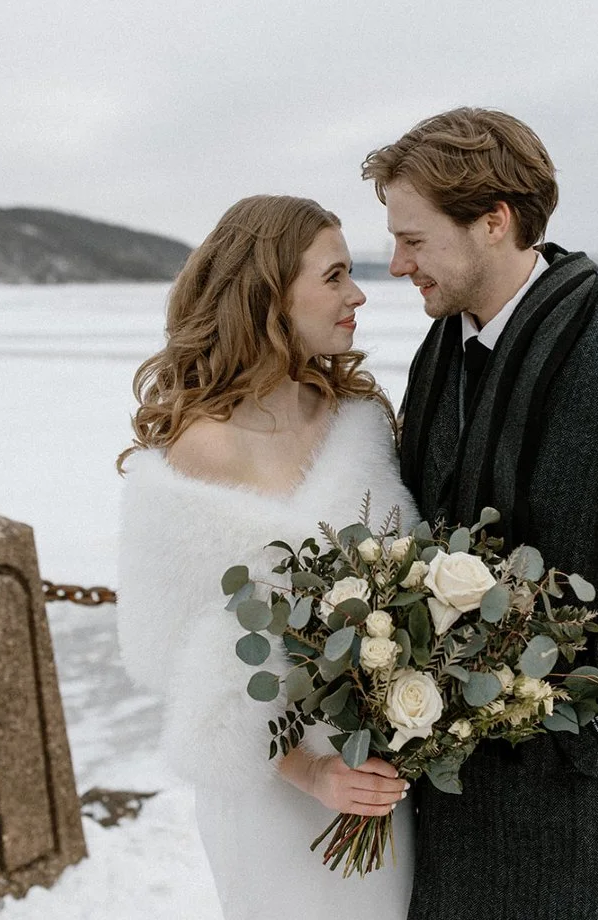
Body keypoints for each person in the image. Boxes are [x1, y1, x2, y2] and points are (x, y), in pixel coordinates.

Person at [362, 108, 598, 920]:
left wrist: (565, 720)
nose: (396, 264)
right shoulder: (440, 352)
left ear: (494, 222)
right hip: (439, 799)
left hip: (571, 818)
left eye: (415, 239)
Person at [114, 195, 416, 920]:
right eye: (335, 276)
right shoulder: (198, 449)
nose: (358, 294)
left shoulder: (360, 421)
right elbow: (179, 662)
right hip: (269, 797)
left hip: (384, 777)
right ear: (270, 292)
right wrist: (309, 771)